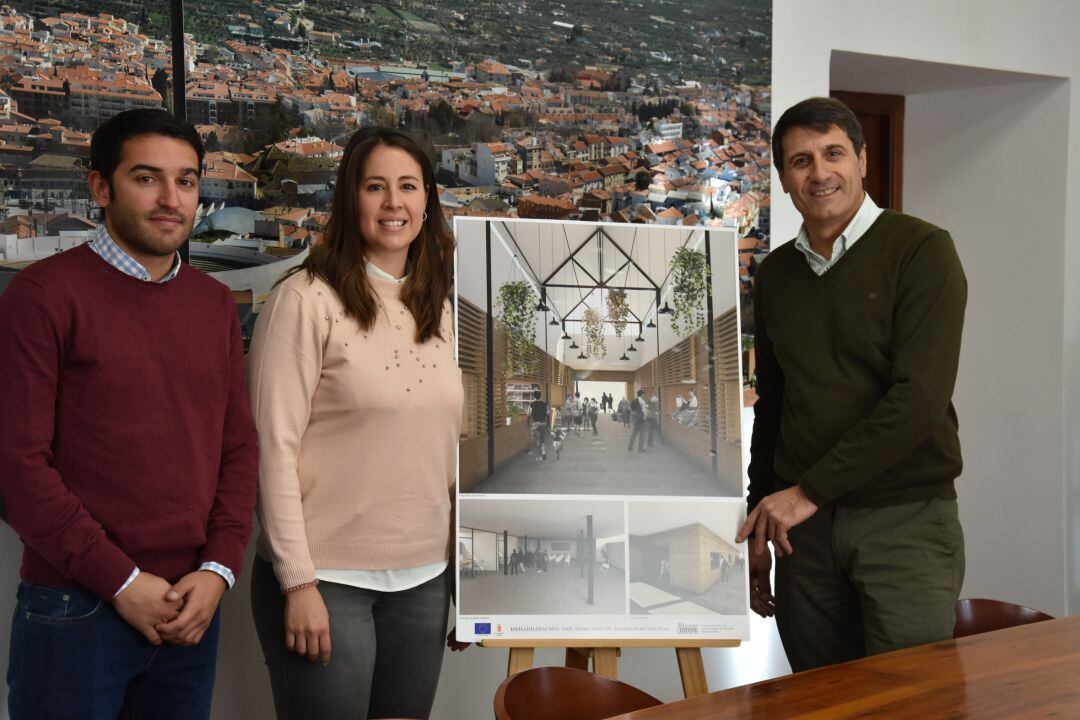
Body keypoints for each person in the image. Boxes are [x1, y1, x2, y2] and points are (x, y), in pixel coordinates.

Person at [0, 109, 259, 719]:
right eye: (148, 178)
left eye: (187, 181)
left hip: (191, 606)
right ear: (100, 187)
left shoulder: (215, 304)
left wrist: (219, 569)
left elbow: (237, 450)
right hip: (75, 608)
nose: (172, 199)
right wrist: (120, 581)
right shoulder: (42, 298)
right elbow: (17, 469)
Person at [737, 97, 967, 673]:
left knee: (912, 702)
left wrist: (806, 493)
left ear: (863, 159)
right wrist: (758, 521)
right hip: (802, 537)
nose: (820, 173)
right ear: (785, 180)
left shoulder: (921, 250)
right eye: (800, 161)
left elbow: (918, 401)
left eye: (834, 153)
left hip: (904, 519)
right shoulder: (775, 276)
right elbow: (776, 406)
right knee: (820, 701)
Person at [248, 126, 466, 719]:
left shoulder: (441, 310)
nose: (393, 203)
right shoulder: (304, 300)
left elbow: (451, 452)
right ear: (350, 199)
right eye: (375, 187)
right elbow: (272, 448)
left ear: (428, 201)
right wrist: (296, 582)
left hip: (424, 579)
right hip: (325, 579)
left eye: (408, 186)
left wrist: (470, 582)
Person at [529, 389, 550, 461]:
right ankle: (543, 451)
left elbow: (529, 415)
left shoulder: (531, 405)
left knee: (538, 440)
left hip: (535, 424)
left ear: (534, 396)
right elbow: (548, 415)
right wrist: (548, 426)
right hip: (543, 423)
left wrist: (528, 425)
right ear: (540, 396)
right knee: (542, 439)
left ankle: (539, 456)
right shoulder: (545, 404)